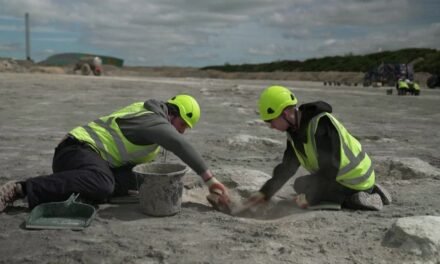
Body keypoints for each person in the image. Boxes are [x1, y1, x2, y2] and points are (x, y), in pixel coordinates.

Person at [0, 94, 229, 212]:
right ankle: (20, 189)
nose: (182, 132)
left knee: (143, 180)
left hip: (95, 162)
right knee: (103, 183)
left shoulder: (156, 126)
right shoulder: (152, 119)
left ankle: (87, 191)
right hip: (74, 151)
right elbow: (179, 144)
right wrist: (210, 180)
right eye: (182, 125)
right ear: (173, 113)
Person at [239, 85, 391, 212]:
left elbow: (331, 167)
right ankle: (367, 191)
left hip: (356, 177)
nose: (271, 126)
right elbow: (287, 168)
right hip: (340, 178)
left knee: (308, 198)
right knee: (300, 184)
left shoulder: (321, 123)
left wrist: (310, 198)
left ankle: (361, 198)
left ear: (285, 114)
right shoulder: (293, 133)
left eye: (271, 121)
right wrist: (265, 193)